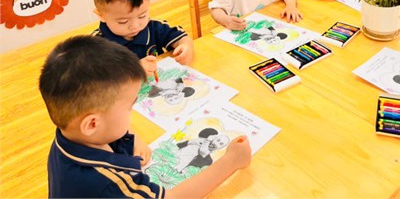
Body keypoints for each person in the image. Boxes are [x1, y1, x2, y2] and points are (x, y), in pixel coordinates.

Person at [39, 35, 251, 198]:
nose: (132, 113)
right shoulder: (110, 183)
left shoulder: (69, 135)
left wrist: (131, 138)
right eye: (130, 106)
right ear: (92, 124)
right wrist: (231, 161)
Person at [88, 0, 194, 76]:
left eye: (142, 15)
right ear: (101, 16)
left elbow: (181, 38)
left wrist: (186, 46)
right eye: (123, 21)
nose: (135, 26)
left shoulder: (154, 26)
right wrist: (134, 70)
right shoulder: (95, 45)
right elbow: (95, 78)